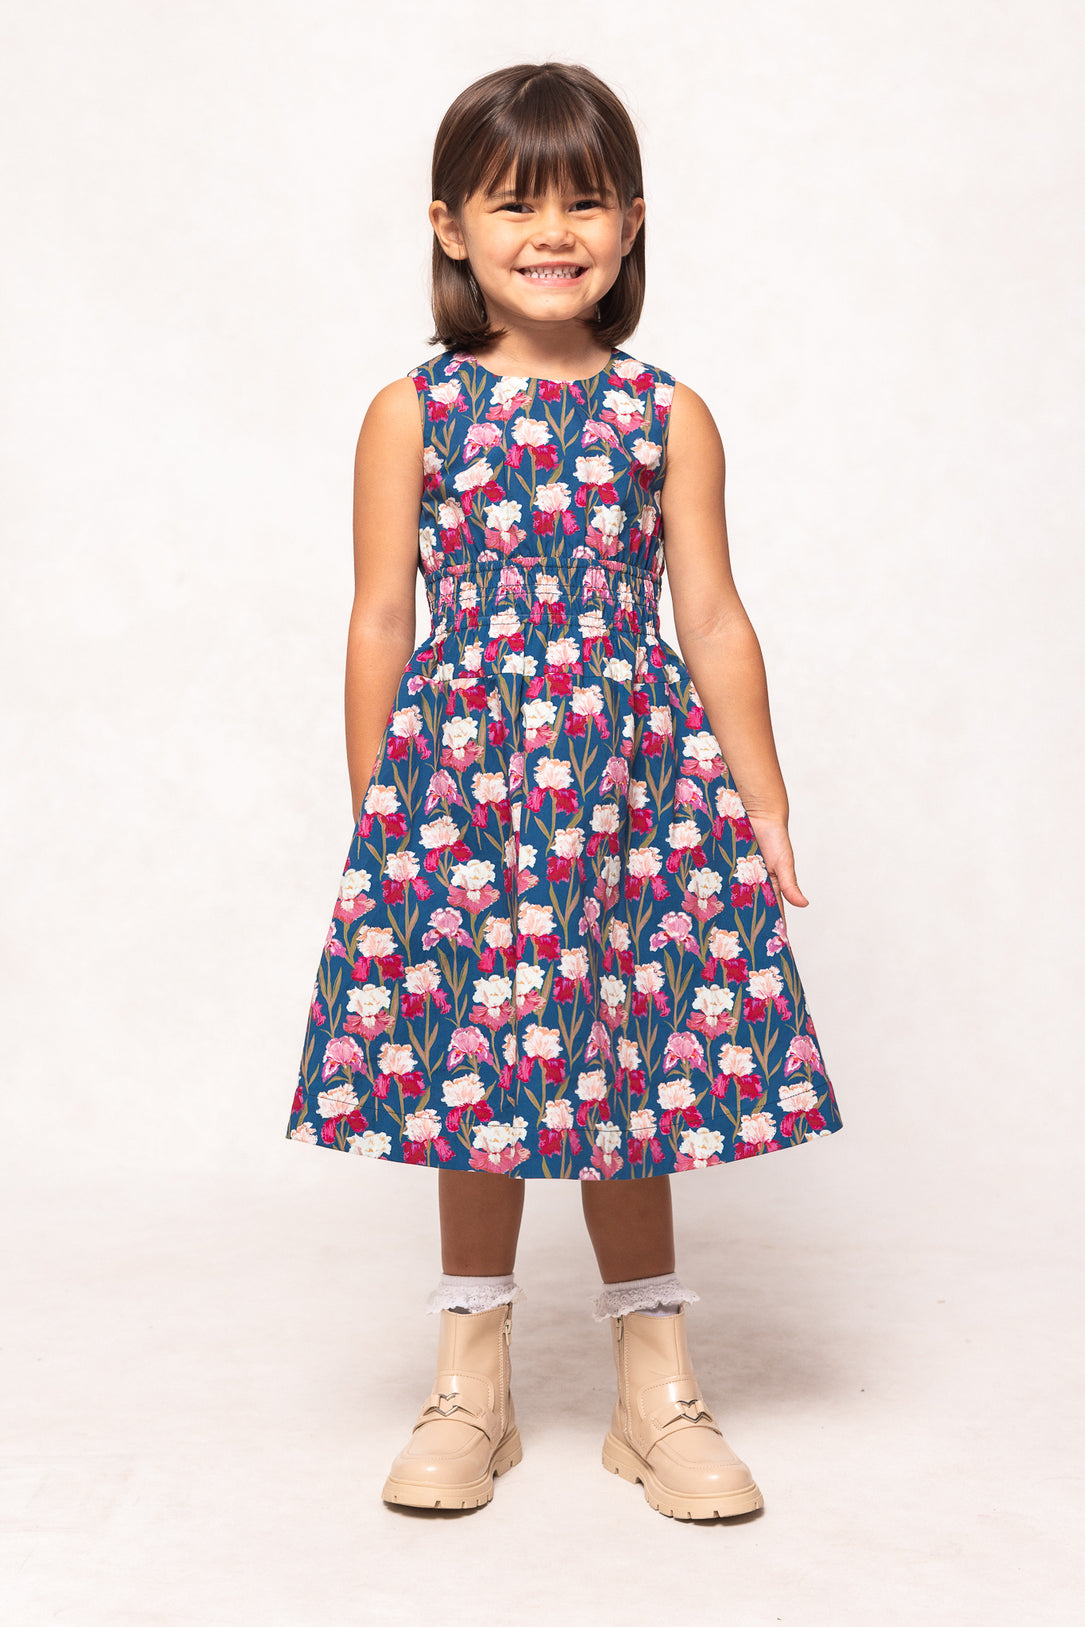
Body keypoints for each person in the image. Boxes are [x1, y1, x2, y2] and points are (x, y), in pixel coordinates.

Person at [286, 59, 844, 1521]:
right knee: (473, 1070)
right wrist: (379, 816)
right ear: (450, 227)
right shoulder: (412, 413)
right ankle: (470, 1382)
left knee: (632, 1068)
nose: (552, 230)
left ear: (632, 224)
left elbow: (710, 619)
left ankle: (653, 1391)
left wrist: (763, 798)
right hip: (462, 797)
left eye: (584, 201)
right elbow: (376, 619)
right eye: (514, 202)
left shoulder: (668, 415)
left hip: (632, 795)